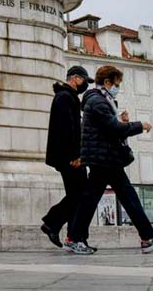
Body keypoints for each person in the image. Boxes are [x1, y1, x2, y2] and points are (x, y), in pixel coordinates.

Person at [65, 65, 153, 255]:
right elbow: (113, 128)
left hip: (106, 157)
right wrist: (139, 125)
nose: (117, 88)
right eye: (116, 84)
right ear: (107, 82)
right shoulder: (98, 101)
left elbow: (110, 127)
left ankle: (147, 237)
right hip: (104, 158)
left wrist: (123, 122)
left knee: (112, 197)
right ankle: (75, 238)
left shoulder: (101, 100)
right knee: (111, 198)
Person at [40, 66, 93, 249]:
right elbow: (67, 128)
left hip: (69, 155)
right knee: (80, 194)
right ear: (75, 78)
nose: (85, 84)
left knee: (77, 195)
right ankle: (54, 223)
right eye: (84, 80)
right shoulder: (65, 97)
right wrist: (76, 155)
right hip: (70, 157)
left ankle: (73, 236)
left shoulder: (68, 97)